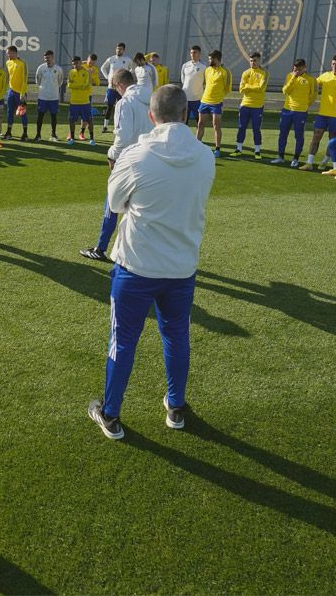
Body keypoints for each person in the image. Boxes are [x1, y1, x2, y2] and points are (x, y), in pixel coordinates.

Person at [87, 85, 216, 440]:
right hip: (182, 266)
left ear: (151, 115)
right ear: (187, 114)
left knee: (123, 341)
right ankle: (176, 406)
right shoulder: (206, 156)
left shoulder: (135, 155)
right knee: (177, 337)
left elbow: (114, 203)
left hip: (137, 266)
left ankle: (111, 414)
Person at [79, 68, 151, 263]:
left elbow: (124, 137)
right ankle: (143, 250)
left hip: (130, 160)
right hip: (151, 160)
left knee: (113, 201)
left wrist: (112, 155)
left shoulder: (124, 103)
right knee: (142, 207)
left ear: (119, 85)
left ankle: (101, 248)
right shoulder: (151, 98)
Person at [275, 58, 317, 166]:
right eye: (295, 69)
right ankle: (280, 156)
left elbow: (314, 95)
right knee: (283, 133)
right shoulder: (290, 76)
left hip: (301, 112)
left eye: (299, 69)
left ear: (304, 67)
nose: (296, 71)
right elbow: (285, 91)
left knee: (299, 135)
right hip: (287, 110)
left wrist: (305, 105)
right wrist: (294, 77)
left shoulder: (311, 79)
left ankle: (296, 159)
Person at [232, 51, 268, 159]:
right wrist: (252, 87)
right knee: (241, 127)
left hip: (257, 106)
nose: (252, 62)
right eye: (251, 60)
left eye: (255, 60)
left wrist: (248, 86)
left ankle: (257, 151)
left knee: (256, 129)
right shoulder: (245, 73)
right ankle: (238, 149)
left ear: (259, 61)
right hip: (245, 105)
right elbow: (241, 89)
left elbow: (261, 88)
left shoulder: (264, 73)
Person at [196, 50, 231, 156]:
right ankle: (196, 146)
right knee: (200, 124)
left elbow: (227, 88)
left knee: (216, 126)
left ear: (216, 59)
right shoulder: (207, 70)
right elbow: (207, 84)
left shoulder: (225, 72)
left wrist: (219, 98)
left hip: (216, 103)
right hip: (204, 101)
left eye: (210, 59)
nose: (209, 60)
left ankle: (217, 149)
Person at [100, 42, 133, 132]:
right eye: (117, 48)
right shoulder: (111, 59)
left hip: (122, 88)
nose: (118, 50)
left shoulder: (127, 60)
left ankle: (119, 126)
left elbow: (132, 68)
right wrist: (108, 78)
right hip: (112, 87)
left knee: (121, 106)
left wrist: (127, 75)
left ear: (124, 50)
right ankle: (105, 126)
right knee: (110, 106)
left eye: (121, 49)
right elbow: (102, 68)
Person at [34, 50, 64, 141]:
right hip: (43, 97)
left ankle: (53, 134)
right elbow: (37, 81)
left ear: (53, 57)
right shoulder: (41, 68)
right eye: (46, 58)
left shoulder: (58, 69)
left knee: (54, 116)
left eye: (49, 57)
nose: (47, 59)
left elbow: (60, 82)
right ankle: (38, 135)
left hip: (54, 97)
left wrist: (52, 89)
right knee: (40, 116)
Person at [67, 55, 95, 147]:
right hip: (74, 101)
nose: (75, 65)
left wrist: (75, 84)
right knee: (72, 120)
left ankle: (92, 138)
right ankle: (72, 138)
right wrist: (79, 85)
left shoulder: (86, 72)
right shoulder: (71, 72)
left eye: (77, 63)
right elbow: (69, 85)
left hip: (85, 101)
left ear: (80, 63)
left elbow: (86, 86)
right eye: (73, 64)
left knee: (89, 120)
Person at [2, 45, 28, 141]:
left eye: (8, 53)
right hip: (11, 92)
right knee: (10, 112)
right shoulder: (8, 62)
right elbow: (8, 77)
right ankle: (9, 132)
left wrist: (22, 94)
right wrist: (6, 90)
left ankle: (25, 134)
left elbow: (24, 80)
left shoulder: (22, 63)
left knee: (23, 113)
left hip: (21, 93)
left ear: (14, 52)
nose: (7, 55)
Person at [180, 45, 206, 125]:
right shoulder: (185, 65)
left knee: (199, 122)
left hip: (197, 99)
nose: (192, 54)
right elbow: (183, 79)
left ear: (199, 54)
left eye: (195, 52)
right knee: (184, 121)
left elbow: (205, 82)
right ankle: (183, 137)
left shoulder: (203, 67)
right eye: (191, 53)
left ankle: (198, 138)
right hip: (185, 98)